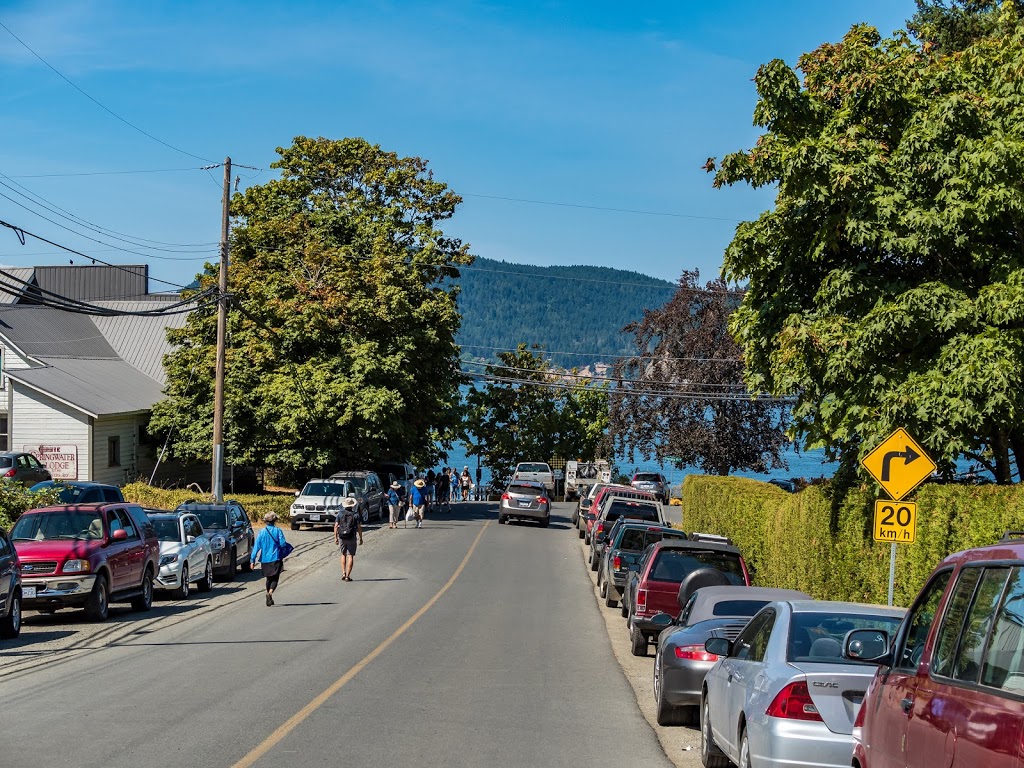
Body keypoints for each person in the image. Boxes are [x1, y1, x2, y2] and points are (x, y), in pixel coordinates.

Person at [250, 512, 289, 606]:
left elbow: (256, 547)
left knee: (268, 578)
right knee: (275, 578)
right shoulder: (278, 531)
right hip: (276, 558)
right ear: (274, 521)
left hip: (264, 559)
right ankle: (270, 593)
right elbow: (283, 543)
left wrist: (252, 560)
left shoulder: (261, 532)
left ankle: (269, 596)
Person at [334, 497, 363, 581]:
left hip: (342, 537)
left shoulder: (340, 514)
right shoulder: (356, 514)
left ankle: (343, 573)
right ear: (352, 506)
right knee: (350, 555)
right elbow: (359, 527)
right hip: (352, 536)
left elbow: (336, 526)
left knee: (343, 554)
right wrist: (360, 538)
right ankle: (347, 576)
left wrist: (335, 537)